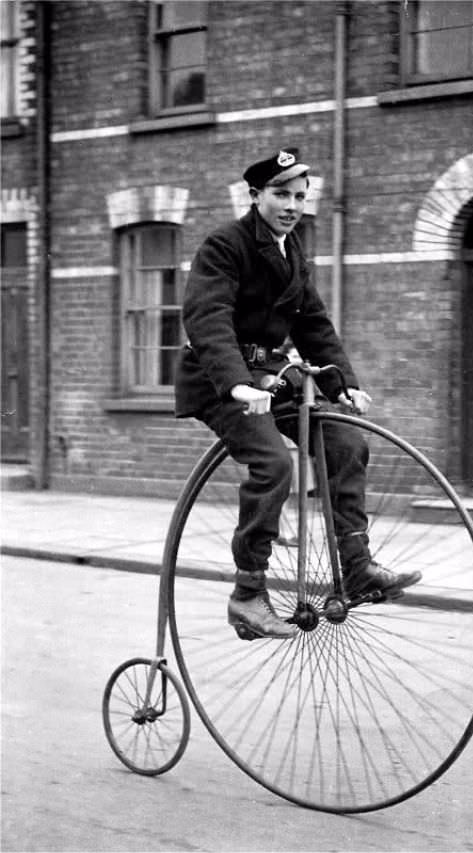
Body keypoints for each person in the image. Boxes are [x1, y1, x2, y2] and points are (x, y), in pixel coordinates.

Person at [175, 147, 421, 640]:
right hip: (218, 378)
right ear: (255, 195)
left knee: (345, 443)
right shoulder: (225, 245)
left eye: (299, 197)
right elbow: (208, 319)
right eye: (281, 194)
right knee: (273, 465)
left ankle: (356, 566)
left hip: (267, 373)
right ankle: (248, 594)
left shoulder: (293, 253)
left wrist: (344, 384)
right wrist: (237, 383)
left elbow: (313, 324)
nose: (291, 205)